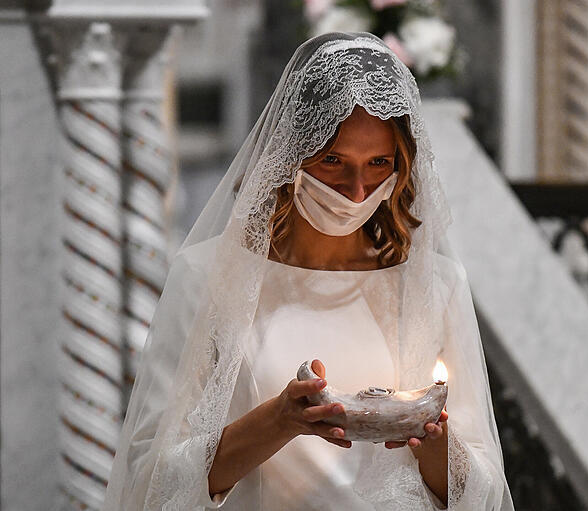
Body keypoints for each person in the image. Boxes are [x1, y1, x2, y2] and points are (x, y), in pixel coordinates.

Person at [101, 32, 514, 510]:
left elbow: (482, 488)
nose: (357, 191)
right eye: (334, 160)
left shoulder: (436, 286)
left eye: (378, 162)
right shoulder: (207, 276)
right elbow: (152, 479)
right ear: (292, 153)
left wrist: (435, 444)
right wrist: (279, 420)